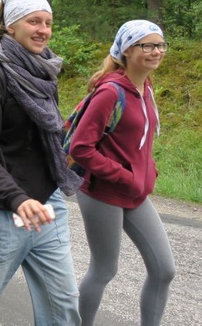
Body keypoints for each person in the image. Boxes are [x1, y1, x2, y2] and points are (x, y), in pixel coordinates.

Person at [0, 0, 82, 325]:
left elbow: (46, 138)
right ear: (11, 24)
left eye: (47, 23)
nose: (43, 30)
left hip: (46, 205)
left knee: (64, 307)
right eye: (34, 22)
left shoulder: (44, 71)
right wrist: (16, 197)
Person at [70, 20, 175, 326]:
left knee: (164, 269)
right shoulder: (110, 92)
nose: (156, 52)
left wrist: (147, 171)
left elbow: (139, 143)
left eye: (160, 45)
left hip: (135, 192)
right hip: (102, 192)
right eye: (148, 45)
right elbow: (80, 148)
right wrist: (125, 175)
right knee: (104, 269)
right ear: (128, 50)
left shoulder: (146, 88)